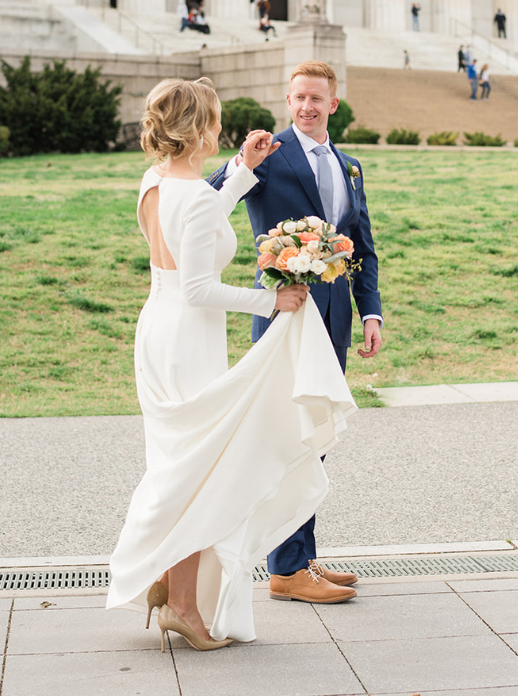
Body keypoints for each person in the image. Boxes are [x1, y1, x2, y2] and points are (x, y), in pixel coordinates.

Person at [106, 77, 354, 651]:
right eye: (215, 121)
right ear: (198, 129)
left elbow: (196, 230)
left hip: (160, 329)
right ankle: (185, 606)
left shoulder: (157, 182)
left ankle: (170, 582)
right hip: (187, 337)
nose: (221, 130)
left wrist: (241, 173)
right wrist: (273, 300)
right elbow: (199, 286)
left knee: (184, 466)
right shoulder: (189, 194)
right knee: (202, 472)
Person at [209, 61, 383, 605]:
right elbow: (210, 201)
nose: (307, 106)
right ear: (288, 101)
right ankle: (285, 568)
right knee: (288, 431)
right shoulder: (270, 154)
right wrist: (241, 161)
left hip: (333, 314)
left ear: (334, 104)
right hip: (284, 310)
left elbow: (363, 245)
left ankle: (301, 556)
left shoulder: (350, 166)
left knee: (316, 428)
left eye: (317, 98)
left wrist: (370, 312)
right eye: (298, 97)